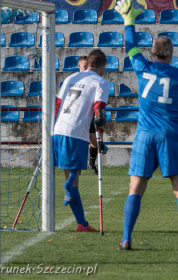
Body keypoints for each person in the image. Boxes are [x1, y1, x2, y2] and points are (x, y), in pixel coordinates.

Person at [114, 0, 178, 251]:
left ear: (153, 53)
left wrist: (128, 19)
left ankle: (126, 239)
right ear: (171, 55)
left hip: (145, 135)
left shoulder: (142, 67)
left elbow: (131, 45)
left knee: (136, 187)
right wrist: (175, 131)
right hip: (169, 135)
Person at [53, 49, 110, 232]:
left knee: (72, 179)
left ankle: (82, 224)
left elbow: (58, 104)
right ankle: (68, 186)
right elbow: (99, 110)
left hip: (58, 129)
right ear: (102, 66)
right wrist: (100, 133)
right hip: (76, 132)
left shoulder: (71, 78)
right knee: (72, 180)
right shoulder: (102, 82)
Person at [78, 55, 108, 175]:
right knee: (80, 140)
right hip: (79, 115)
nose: (86, 70)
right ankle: (78, 165)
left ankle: (91, 164)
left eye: (87, 66)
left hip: (91, 114)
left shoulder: (95, 81)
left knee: (94, 142)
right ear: (79, 66)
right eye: (84, 66)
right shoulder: (75, 80)